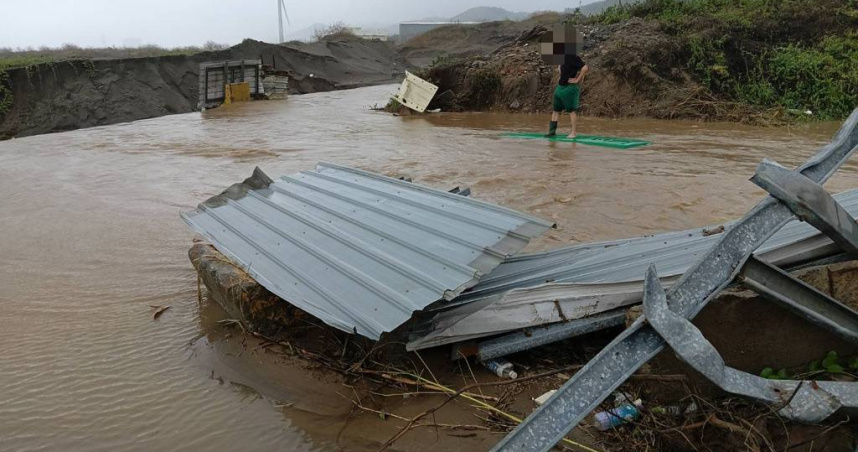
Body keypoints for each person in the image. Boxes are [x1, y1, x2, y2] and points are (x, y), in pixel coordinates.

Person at [546, 54, 588, 138]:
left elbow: (585, 68)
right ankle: (552, 132)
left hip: (570, 88)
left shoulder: (573, 56)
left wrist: (577, 80)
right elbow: (560, 68)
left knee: (571, 111)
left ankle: (573, 133)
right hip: (560, 87)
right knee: (555, 110)